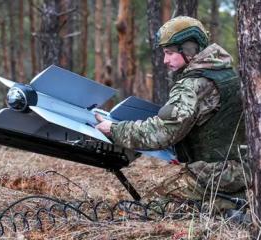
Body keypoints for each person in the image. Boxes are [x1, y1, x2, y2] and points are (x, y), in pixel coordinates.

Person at [95, 16, 250, 212]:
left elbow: (162, 133)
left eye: (170, 53)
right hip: (239, 171)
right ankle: (226, 203)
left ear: (190, 50)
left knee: (148, 208)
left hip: (214, 175)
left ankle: (222, 206)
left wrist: (115, 130)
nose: (165, 60)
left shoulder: (192, 85)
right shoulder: (226, 73)